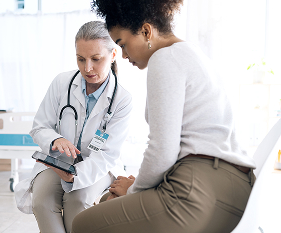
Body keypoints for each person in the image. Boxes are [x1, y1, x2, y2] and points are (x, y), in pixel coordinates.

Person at [72, 1, 257, 233]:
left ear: (147, 31)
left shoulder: (165, 58)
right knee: (108, 201)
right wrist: (137, 187)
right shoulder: (189, 53)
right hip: (229, 187)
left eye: (124, 44)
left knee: (83, 224)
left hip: (200, 188)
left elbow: (162, 150)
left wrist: (133, 191)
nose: (125, 55)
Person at [14, 20, 132, 233]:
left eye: (96, 59)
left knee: (77, 202)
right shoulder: (62, 83)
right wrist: (55, 139)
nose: (87, 68)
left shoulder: (122, 99)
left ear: (113, 54)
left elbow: (107, 155)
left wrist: (77, 174)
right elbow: (39, 127)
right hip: (59, 162)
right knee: (42, 202)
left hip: (97, 165)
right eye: (81, 59)